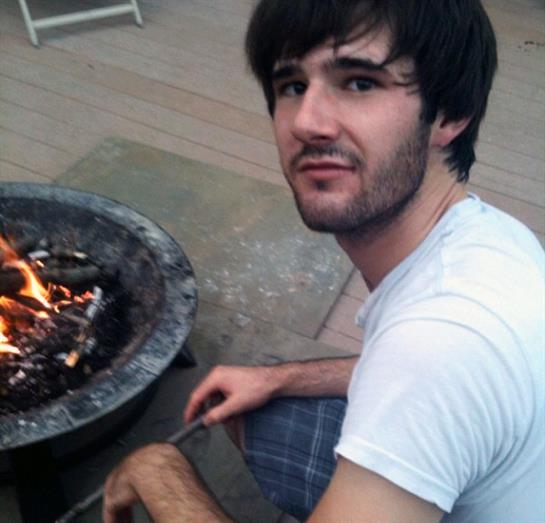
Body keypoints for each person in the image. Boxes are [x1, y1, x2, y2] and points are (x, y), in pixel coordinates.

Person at [103, 1, 545, 522]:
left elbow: (425, 369)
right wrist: (281, 378)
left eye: (359, 82)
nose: (307, 123)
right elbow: (401, 370)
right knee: (261, 410)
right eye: (292, 86)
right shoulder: (492, 236)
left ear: (448, 113)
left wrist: (159, 472)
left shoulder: (438, 346)